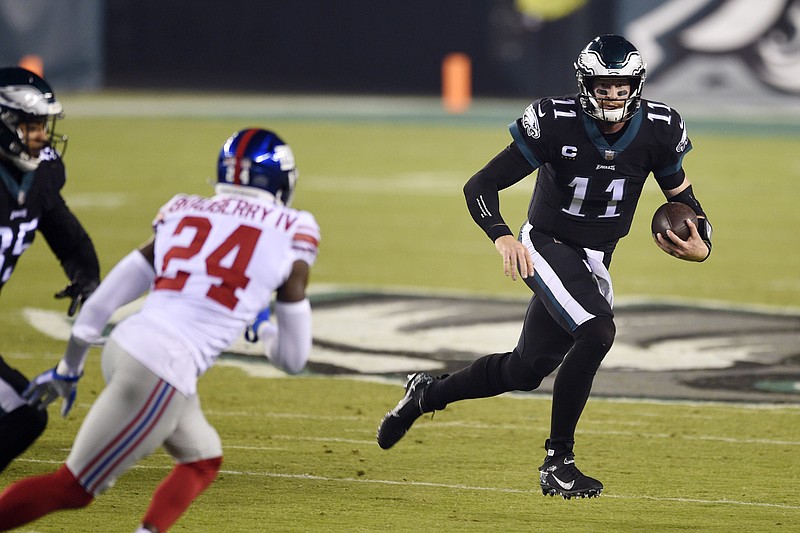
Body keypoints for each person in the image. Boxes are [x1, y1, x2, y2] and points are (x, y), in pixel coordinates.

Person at [376, 34, 713, 499]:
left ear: (635, 85)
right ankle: (559, 462)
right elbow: (480, 184)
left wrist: (702, 242)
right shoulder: (556, 122)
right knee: (596, 332)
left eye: (620, 87)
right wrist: (502, 235)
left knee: (524, 370)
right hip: (547, 243)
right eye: (602, 86)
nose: (611, 96)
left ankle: (425, 395)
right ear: (584, 85)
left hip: (595, 259)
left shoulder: (659, 127)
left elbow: (683, 200)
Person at [0, 128, 320, 532]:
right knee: (71, 489)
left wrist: (69, 367)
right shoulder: (295, 228)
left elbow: (102, 303)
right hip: (163, 369)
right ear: (282, 181)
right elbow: (293, 360)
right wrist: (266, 330)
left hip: (128, 346)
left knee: (202, 460)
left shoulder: (184, 209)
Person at [0, 66, 100, 472]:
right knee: (23, 414)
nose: (42, 136)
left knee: (24, 415)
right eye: (31, 125)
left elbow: (59, 223)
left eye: (43, 125)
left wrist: (85, 273)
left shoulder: (40, 174)